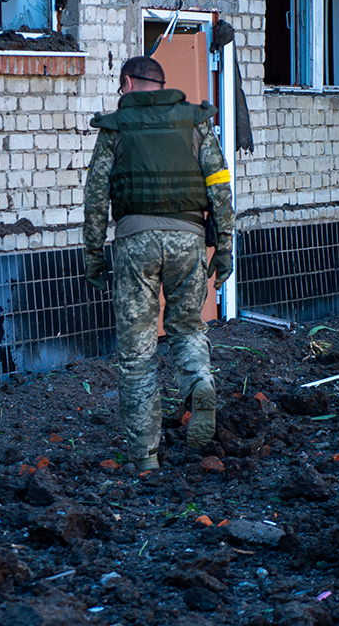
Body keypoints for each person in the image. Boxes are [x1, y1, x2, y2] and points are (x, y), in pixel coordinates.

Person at [82, 55, 236, 471]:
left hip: (134, 244)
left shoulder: (116, 127)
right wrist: (224, 244)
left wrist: (93, 255)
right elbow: (219, 182)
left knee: (137, 354)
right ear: (162, 84)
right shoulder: (194, 121)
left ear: (129, 83)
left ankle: (144, 456)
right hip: (187, 239)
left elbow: (96, 196)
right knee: (187, 327)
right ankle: (199, 383)